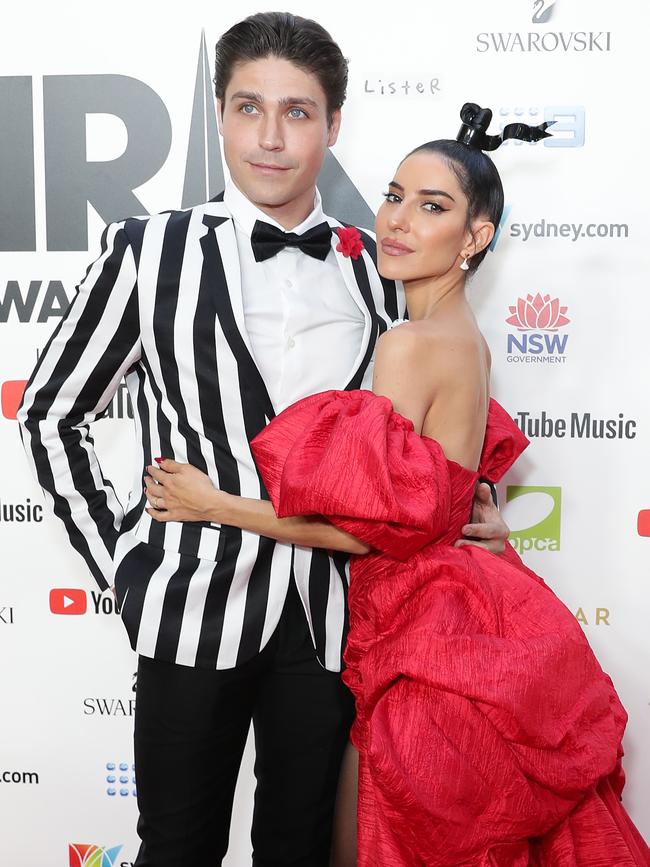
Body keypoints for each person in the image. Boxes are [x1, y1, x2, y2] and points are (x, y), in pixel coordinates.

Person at [16, 15, 509, 866]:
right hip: (185, 610)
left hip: (333, 620)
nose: (271, 138)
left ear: (333, 126)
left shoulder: (377, 267)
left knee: (302, 846)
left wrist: (477, 504)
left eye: (298, 112)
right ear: (219, 115)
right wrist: (125, 566)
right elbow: (52, 411)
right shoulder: (147, 251)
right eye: (250, 109)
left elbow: (423, 437)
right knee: (176, 847)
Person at [144, 104, 650, 866]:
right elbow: (439, 495)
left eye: (433, 206)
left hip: (427, 641)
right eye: (394, 195)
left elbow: (371, 530)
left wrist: (212, 504)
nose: (398, 220)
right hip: (461, 616)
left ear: (476, 237)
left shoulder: (409, 343)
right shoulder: (462, 340)